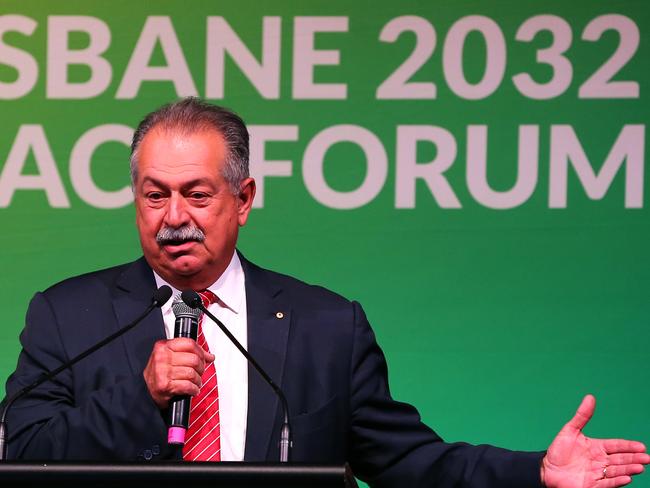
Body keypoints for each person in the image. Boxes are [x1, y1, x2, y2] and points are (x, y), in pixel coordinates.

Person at [3, 98, 648, 487]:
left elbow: (410, 464)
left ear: (245, 199)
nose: (174, 216)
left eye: (198, 194)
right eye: (155, 194)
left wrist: (535, 471)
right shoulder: (68, 315)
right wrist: (136, 395)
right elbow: (21, 455)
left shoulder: (325, 327)